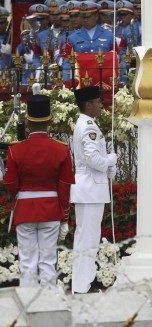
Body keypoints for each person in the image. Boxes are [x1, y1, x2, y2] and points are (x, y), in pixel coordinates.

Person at [3, 94, 75, 286]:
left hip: (25, 208)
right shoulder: (61, 149)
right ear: (50, 120)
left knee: (27, 263)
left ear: (27, 122)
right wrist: (65, 216)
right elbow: (65, 186)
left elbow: (10, 184)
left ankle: (28, 307)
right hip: (51, 209)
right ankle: (48, 307)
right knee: (48, 262)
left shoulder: (15, 150)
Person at [71, 85, 118, 293]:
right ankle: (82, 285)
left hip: (89, 188)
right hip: (90, 189)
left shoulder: (86, 123)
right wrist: (110, 159)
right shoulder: (89, 126)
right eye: (98, 101)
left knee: (86, 237)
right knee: (87, 239)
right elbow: (93, 159)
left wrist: (107, 166)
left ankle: (83, 283)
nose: (101, 104)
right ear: (88, 104)